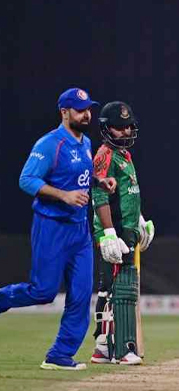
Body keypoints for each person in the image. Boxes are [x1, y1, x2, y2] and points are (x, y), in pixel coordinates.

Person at [0, 88, 113, 370]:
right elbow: (26, 180)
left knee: (81, 294)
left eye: (88, 109)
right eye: (80, 110)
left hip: (80, 231)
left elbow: (80, 176)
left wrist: (99, 182)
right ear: (64, 112)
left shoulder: (86, 142)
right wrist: (64, 195)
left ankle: (60, 355)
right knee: (43, 291)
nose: (86, 115)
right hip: (52, 227)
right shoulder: (50, 143)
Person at [90, 101, 155, 366]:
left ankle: (103, 347)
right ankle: (124, 348)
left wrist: (140, 221)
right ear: (107, 129)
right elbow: (99, 196)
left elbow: (129, 193)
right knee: (122, 288)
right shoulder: (104, 155)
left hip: (126, 229)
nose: (126, 131)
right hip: (114, 231)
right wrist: (108, 232)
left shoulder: (124, 155)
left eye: (128, 126)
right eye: (119, 127)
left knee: (109, 288)